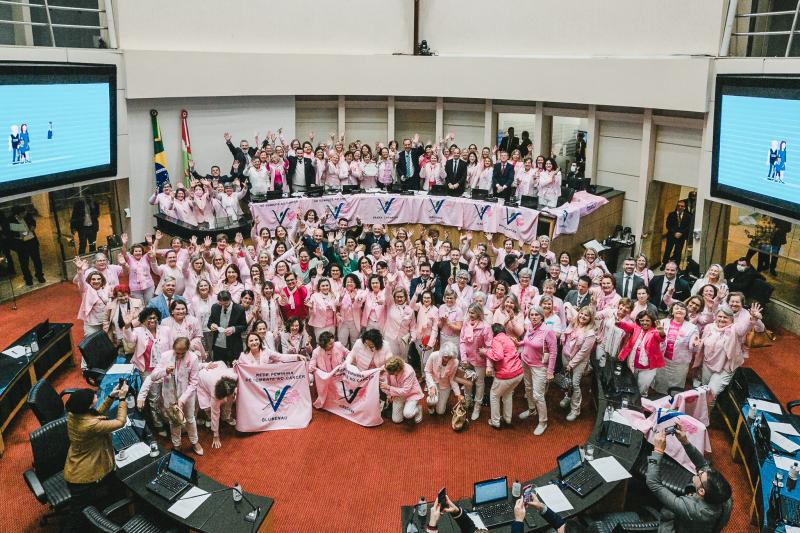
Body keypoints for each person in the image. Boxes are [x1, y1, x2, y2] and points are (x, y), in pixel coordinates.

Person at [63, 383, 128, 533]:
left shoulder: (74, 414)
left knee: (114, 484)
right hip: (83, 476)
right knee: (77, 517)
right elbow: (120, 422)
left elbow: (95, 414)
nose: (96, 397)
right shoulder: (90, 425)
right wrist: (122, 398)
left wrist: (111, 396)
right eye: (94, 398)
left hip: (80, 463)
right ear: (86, 406)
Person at [646, 425, 732, 533]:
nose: (700, 471)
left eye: (700, 475)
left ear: (701, 491)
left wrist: (658, 451)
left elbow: (653, 483)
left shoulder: (693, 509)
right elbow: (702, 464)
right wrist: (685, 441)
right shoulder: (722, 494)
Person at [148, 337, 203, 454]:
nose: (179, 356)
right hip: (170, 396)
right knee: (174, 421)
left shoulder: (193, 358)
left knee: (190, 419)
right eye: (177, 352)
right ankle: (177, 444)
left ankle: (194, 442)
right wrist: (165, 371)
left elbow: (194, 382)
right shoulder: (165, 356)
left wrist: (182, 399)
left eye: (182, 353)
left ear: (187, 350)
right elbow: (153, 376)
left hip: (187, 396)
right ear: (173, 348)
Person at [519, 306, 558, 435]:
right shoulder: (530, 327)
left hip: (539, 367)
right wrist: (518, 343)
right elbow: (527, 342)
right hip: (525, 362)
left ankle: (543, 422)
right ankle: (531, 410)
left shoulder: (548, 331)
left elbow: (553, 352)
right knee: (528, 388)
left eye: (536, 315)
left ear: (542, 316)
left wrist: (550, 371)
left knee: (538, 395)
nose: (534, 317)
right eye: (532, 315)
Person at [653, 302, 700, 394]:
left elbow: (693, 348)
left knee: (675, 388)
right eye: (677, 308)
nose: (679, 310)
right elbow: (655, 340)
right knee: (660, 383)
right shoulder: (662, 322)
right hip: (662, 360)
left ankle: (672, 402)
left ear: (686, 313)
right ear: (672, 311)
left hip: (679, 363)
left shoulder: (692, 327)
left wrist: (695, 344)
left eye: (682, 309)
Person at [617, 310, 666, 396]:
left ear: (652, 321)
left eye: (647, 320)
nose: (644, 323)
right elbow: (627, 327)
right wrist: (619, 323)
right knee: (630, 387)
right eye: (642, 320)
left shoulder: (655, 331)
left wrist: (661, 332)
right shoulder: (636, 327)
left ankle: (640, 406)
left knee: (641, 390)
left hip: (647, 369)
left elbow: (661, 338)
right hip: (632, 365)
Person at [560, 306, 596, 421]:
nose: (583, 316)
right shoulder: (573, 324)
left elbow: (583, 353)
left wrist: (571, 364)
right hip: (565, 356)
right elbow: (565, 333)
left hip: (578, 361)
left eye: (586, 315)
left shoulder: (590, 333)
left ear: (590, 318)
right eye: (581, 314)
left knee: (575, 384)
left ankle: (575, 410)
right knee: (568, 380)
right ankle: (568, 396)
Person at [485, 323, 523, 428]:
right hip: (519, 373)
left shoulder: (496, 340)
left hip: (506, 374)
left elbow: (498, 356)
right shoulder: (508, 338)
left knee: (494, 395)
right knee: (507, 394)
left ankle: (495, 422)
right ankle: (507, 419)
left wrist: (486, 352)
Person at [460, 303, 494, 421]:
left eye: (473, 313)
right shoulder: (466, 324)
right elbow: (462, 342)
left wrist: (489, 365)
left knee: (479, 383)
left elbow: (489, 347)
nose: (470, 315)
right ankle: (468, 401)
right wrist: (463, 358)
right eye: (469, 312)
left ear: (479, 313)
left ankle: (477, 406)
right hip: (468, 360)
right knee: (467, 381)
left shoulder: (486, 327)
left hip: (480, 361)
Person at [195, 361, 237, 449]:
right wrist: (216, 435)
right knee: (208, 408)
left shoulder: (234, 375)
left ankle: (226, 416)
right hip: (202, 379)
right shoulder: (215, 393)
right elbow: (215, 414)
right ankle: (209, 418)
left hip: (219, 367)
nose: (224, 399)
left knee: (230, 399)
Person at [207, 290, 248, 364]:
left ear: (230, 299)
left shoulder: (239, 309)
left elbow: (244, 326)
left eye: (225, 304)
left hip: (234, 346)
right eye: (220, 303)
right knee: (219, 369)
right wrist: (211, 325)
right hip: (218, 345)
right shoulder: (215, 307)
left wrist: (233, 329)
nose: (223, 306)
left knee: (235, 369)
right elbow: (209, 322)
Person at [381, 355, 424, 424]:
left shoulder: (409, 372)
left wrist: (389, 388)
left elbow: (405, 391)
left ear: (397, 370)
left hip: (411, 394)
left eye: (391, 373)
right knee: (397, 420)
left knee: (408, 414)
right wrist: (389, 395)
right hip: (397, 393)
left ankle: (418, 409)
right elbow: (384, 383)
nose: (389, 374)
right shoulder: (387, 367)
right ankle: (405, 407)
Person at [8, 205, 44, 286]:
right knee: (24, 263)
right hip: (21, 244)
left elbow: (33, 222)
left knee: (37, 260)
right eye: (23, 212)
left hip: (32, 241)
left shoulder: (27, 216)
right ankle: (28, 278)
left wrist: (33, 226)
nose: (25, 213)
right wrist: (22, 232)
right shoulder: (10, 220)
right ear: (18, 214)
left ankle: (39, 275)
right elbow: (12, 232)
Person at [423, 342, 462, 415]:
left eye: (450, 357)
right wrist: (431, 386)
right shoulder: (434, 355)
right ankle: (430, 406)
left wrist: (458, 394)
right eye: (445, 357)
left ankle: (441, 400)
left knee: (440, 412)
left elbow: (452, 379)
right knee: (432, 401)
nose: (447, 360)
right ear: (442, 353)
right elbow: (427, 371)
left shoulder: (455, 362)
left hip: (445, 385)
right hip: (433, 382)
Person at [662, 200, 692, 268]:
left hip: (681, 237)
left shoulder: (688, 216)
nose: (680, 207)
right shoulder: (671, 214)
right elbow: (668, 225)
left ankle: (677, 266)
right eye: (678, 206)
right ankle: (664, 264)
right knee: (668, 250)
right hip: (671, 236)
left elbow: (688, 227)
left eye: (682, 206)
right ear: (677, 206)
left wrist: (681, 233)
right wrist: (674, 233)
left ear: (684, 207)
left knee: (678, 252)